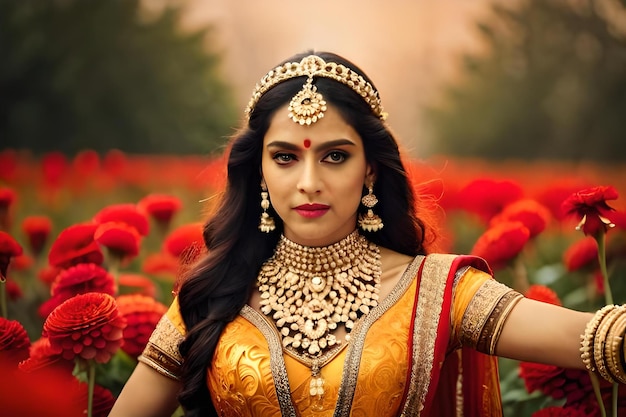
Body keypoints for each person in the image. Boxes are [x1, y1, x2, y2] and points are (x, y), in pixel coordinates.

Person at [108, 51, 624, 417]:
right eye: (285, 157)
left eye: (334, 156)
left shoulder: (436, 293)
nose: (309, 182)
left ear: (371, 169)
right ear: (259, 171)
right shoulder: (211, 296)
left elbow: (590, 339)